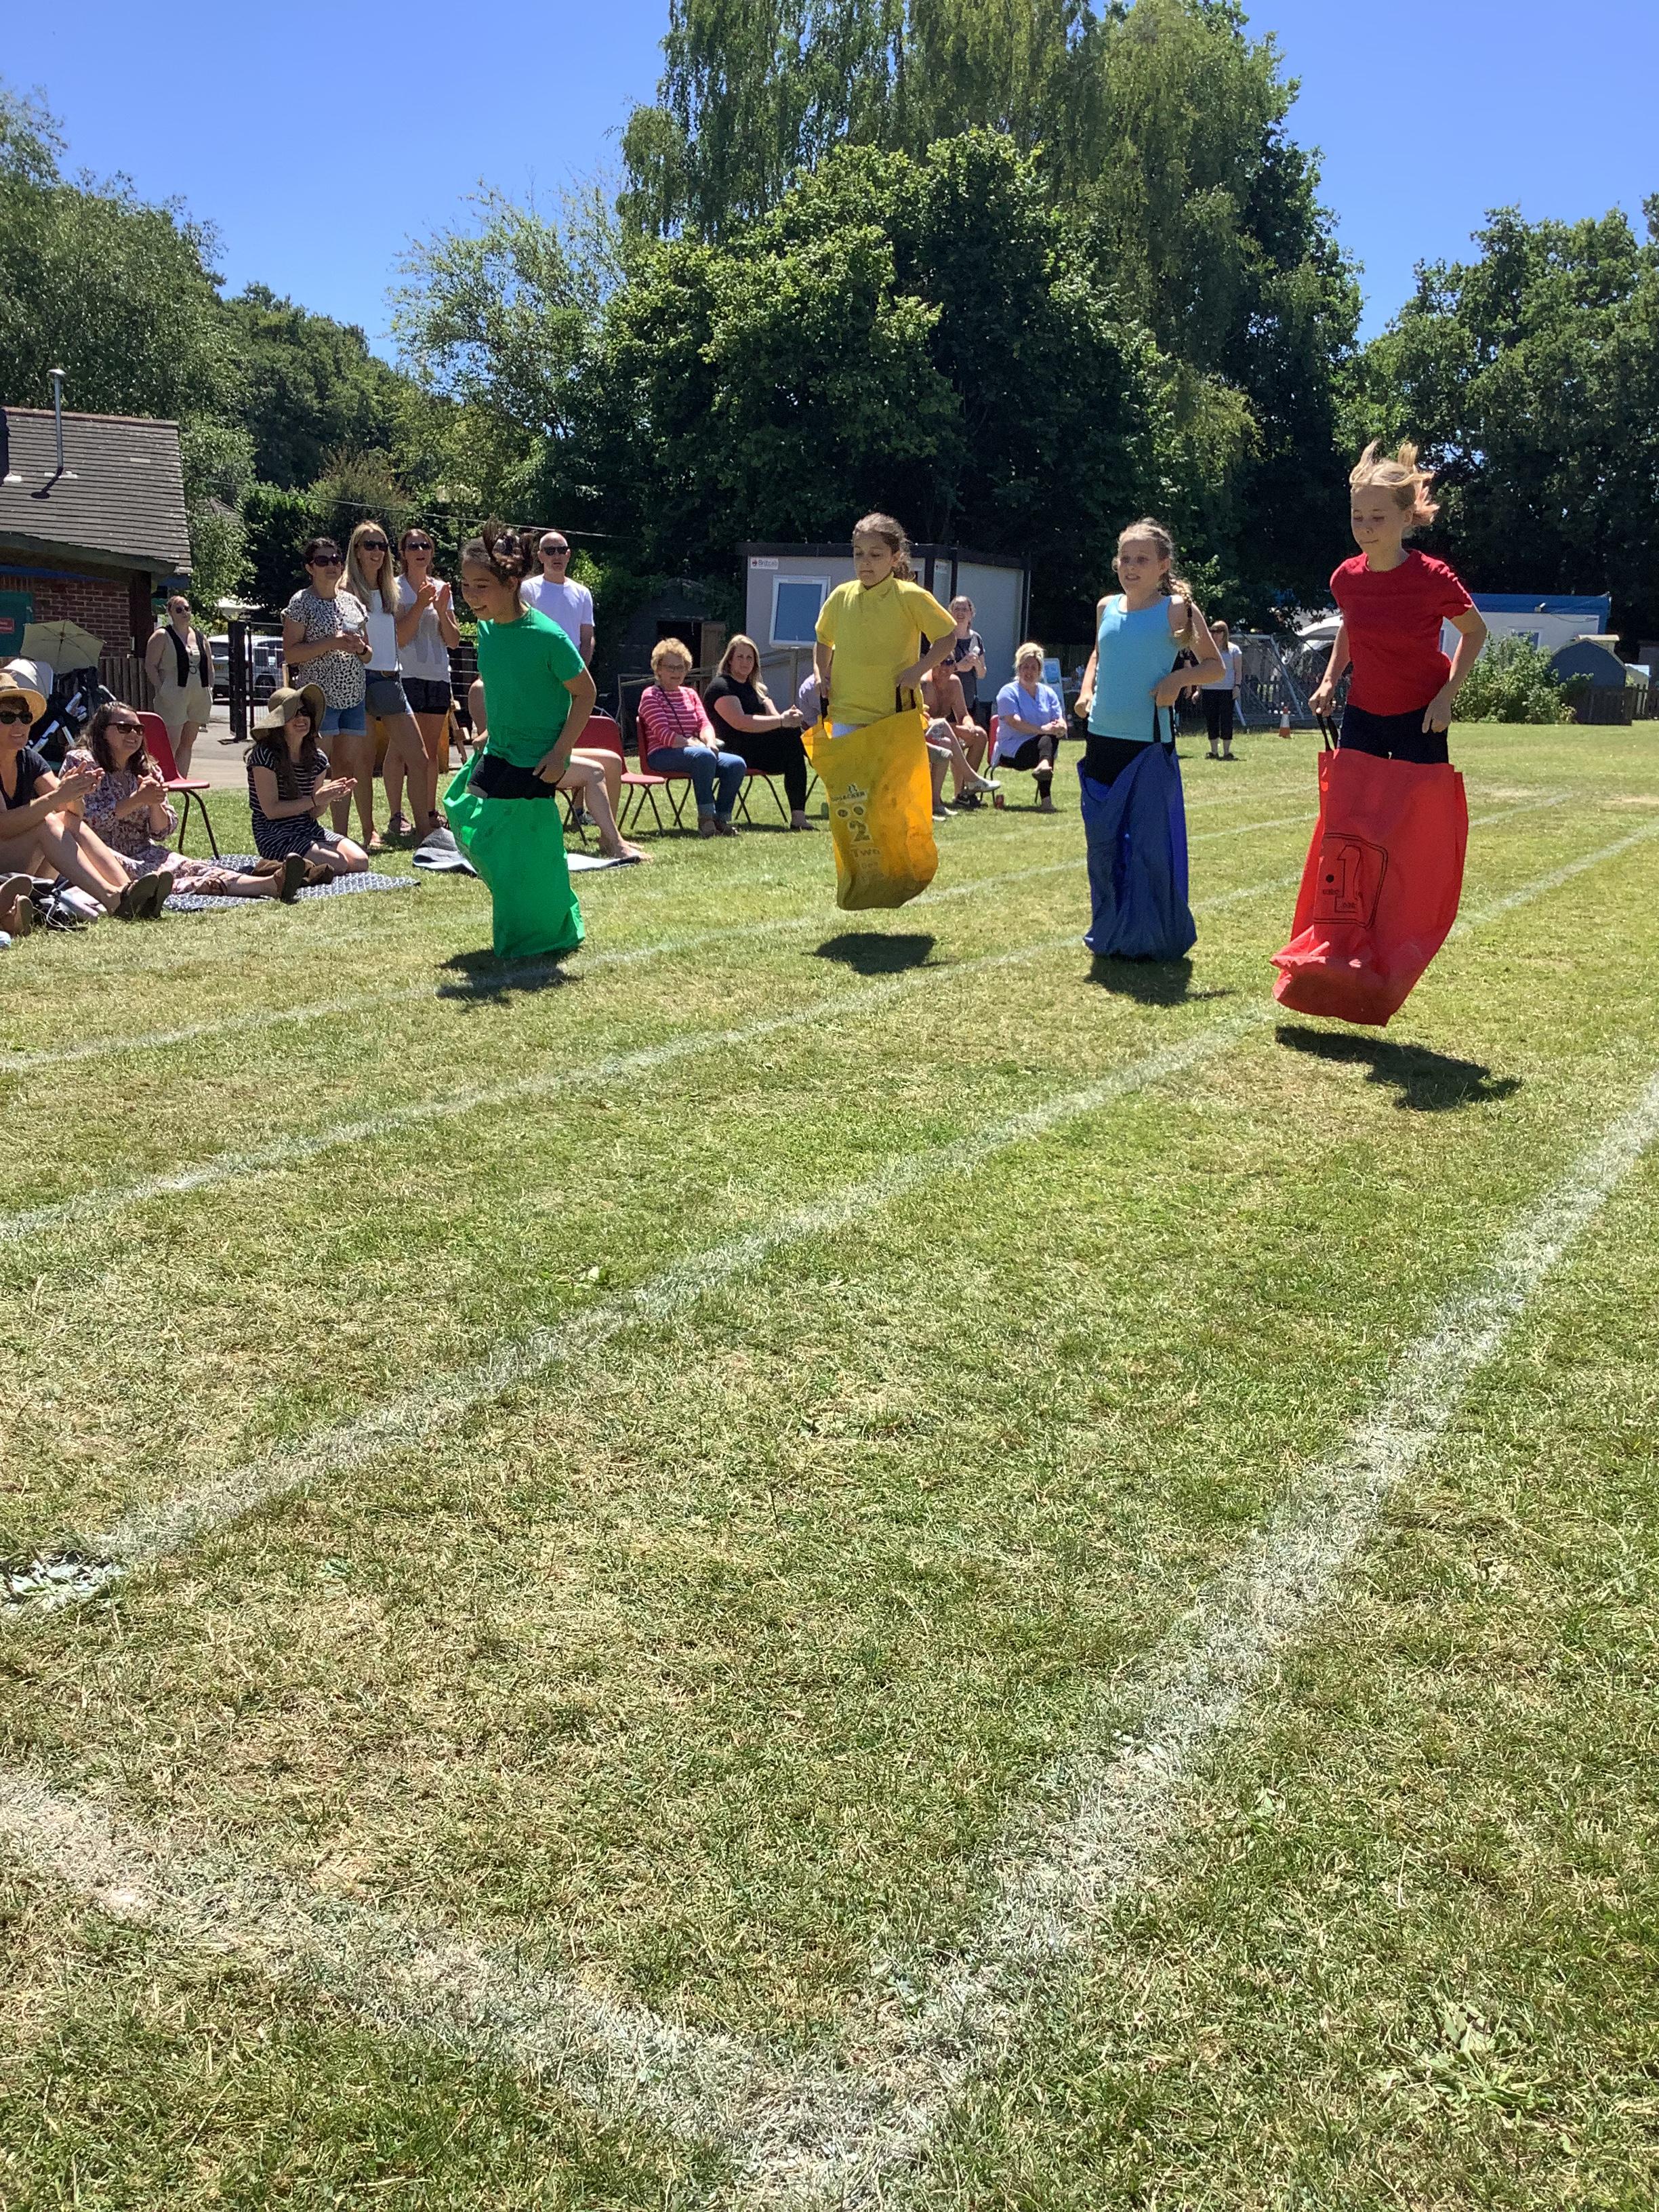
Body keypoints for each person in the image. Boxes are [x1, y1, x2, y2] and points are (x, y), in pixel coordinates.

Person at [1073, 520, 1225, 960]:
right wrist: (1086, 691)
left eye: (1142, 559)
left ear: (1163, 566)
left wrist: (1177, 680)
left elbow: (1214, 666)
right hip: (1101, 740)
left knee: (1148, 848)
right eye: (1125, 558)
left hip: (1149, 745)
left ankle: (1151, 939)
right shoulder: (1106, 607)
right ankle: (1111, 933)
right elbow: (1099, 654)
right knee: (1103, 848)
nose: (1131, 566)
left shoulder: (1177, 611)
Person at [446, 523, 592, 958]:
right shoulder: (487, 630)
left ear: (511, 584)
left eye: (482, 586)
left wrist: (561, 751)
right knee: (464, 817)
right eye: (466, 585)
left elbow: (585, 694)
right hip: (499, 750)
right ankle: (537, 916)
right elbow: (505, 685)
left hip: (537, 760)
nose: (471, 595)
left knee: (520, 849)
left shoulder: (547, 636)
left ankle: (542, 931)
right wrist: (492, 727)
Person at [1309, 442, 1488, 761]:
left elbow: (1475, 631)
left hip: (1421, 715)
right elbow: (1351, 628)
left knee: (1418, 797)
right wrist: (1329, 681)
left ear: (1406, 517)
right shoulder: (1344, 579)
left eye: (1378, 517)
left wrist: (1446, 697)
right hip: (1362, 713)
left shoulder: (1433, 577)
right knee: (1354, 796)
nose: (1365, 526)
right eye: (1357, 516)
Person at [68, 703, 306, 901]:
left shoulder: (146, 768)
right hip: (96, 852)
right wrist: (135, 800)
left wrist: (154, 803)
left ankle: (270, 884)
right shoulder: (83, 763)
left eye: (138, 729)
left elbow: (162, 832)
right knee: (153, 874)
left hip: (142, 849)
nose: (133, 734)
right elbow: (83, 822)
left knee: (191, 866)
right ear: (102, 731)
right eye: (124, 728)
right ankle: (259, 883)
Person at [0, 659, 171, 918]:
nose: (20, 725)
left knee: (66, 819)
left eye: (25, 717)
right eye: (7, 717)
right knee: (48, 822)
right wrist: (59, 796)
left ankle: (128, 892)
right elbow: (4, 826)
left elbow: (73, 815)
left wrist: (74, 794)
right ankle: (113, 898)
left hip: (22, 867)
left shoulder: (29, 759)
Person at [466, 674, 647, 864]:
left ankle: (607, 838)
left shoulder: (523, 681)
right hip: (520, 760)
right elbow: (489, 738)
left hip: (545, 749)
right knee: (595, 771)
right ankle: (616, 844)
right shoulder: (481, 688)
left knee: (613, 761)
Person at [283, 537, 379, 851]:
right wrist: (332, 643)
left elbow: (369, 655)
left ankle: (341, 837)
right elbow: (291, 653)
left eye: (336, 560)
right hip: (318, 700)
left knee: (345, 769)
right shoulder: (301, 602)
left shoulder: (352, 602)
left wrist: (360, 648)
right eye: (323, 561)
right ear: (310, 567)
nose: (332, 566)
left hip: (353, 697)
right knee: (317, 768)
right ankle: (307, 832)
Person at [345, 520, 433, 842]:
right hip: (356, 678)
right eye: (370, 545)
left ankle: (425, 830)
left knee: (420, 759)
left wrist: (421, 605)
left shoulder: (389, 590)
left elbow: (401, 638)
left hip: (389, 677)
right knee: (363, 762)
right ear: (356, 550)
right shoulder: (346, 589)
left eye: (382, 545)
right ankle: (368, 831)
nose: (377, 552)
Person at [246, 684, 370, 878]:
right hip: (274, 833)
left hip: (308, 829)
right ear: (280, 722)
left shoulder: (318, 759)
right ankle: (287, 869)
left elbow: (314, 813)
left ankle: (297, 868)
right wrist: (314, 800)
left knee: (360, 861)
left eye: (305, 712)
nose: (302, 718)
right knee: (338, 864)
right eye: (294, 714)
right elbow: (271, 811)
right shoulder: (264, 756)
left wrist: (327, 798)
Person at [638, 638, 747, 838]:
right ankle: (706, 818)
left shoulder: (690, 694)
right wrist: (697, 746)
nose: (676, 672)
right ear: (658, 669)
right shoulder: (651, 696)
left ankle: (721, 819)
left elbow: (704, 724)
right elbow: (665, 735)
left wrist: (710, 743)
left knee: (736, 764)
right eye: (670, 667)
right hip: (662, 754)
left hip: (696, 752)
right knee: (703, 757)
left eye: (681, 667)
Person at [704, 634, 815, 830]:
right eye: (740, 657)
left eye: (750, 658)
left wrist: (789, 717)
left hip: (757, 749)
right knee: (793, 740)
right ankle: (823, 762)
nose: (745, 662)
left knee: (792, 738)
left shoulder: (757, 689)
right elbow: (741, 723)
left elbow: (776, 721)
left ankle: (799, 817)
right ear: (730, 660)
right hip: (731, 751)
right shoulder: (721, 687)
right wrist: (782, 721)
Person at [394, 525, 463, 834]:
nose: (420, 551)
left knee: (431, 752)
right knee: (402, 751)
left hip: (437, 677)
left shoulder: (441, 588)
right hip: (405, 676)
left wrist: (441, 609)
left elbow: (453, 640)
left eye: (425, 546)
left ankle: (429, 812)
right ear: (403, 553)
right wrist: (421, 604)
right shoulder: (395, 588)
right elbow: (401, 638)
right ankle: (397, 817)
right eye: (413, 546)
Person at [143, 593, 214, 776]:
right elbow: (150, 665)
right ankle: (163, 780)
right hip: (173, 694)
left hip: (198, 695)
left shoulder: (200, 636)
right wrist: (161, 688)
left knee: (188, 742)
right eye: (179, 610)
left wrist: (210, 690)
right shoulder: (162, 635)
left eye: (187, 609)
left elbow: (209, 666)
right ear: (170, 612)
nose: (184, 613)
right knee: (170, 743)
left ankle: (181, 780)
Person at [992, 644, 1067, 811]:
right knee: (1048, 738)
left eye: (1034, 667)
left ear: (1040, 671)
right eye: (1025, 667)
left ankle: (1044, 772)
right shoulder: (1007, 692)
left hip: (1041, 748)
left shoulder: (1049, 693)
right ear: (1018, 668)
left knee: (1050, 739)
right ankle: (1045, 786)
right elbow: (1015, 722)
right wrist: (1044, 730)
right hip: (1013, 750)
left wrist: (1060, 728)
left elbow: (1059, 720)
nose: (1029, 671)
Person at [920, 661, 997, 815]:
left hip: (944, 731)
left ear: (955, 666)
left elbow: (963, 715)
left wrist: (968, 726)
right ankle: (971, 778)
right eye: (940, 662)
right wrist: (955, 729)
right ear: (933, 662)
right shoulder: (925, 685)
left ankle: (963, 794)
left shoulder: (954, 683)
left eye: (949, 663)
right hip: (923, 734)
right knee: (945, 739)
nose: (944, 667)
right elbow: (923, 720)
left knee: (979, 735)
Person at [520, 531, 595, 661]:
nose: (557, 556)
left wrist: (582, 669)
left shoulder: (583, 593)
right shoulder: (527, 589)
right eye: (550, 551)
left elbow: (587, 638)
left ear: (568, 555)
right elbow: (521, 632)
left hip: (572, 665)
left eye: (561, 550)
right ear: (541, 556)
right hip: (538, 663)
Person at [1198, 620, 1244, 759]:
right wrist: (1198, 689)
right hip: (1209, 688)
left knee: (1226, 720)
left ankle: (1227, 752)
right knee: (1211, 719)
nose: (1214, 634)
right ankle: (1213, 751)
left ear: (1225, 633)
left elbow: (1238, 671)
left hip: (1227, 689)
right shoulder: (1207, 650)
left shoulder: (1234, 650)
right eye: (1212, 631)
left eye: (1218, 631)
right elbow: (1201, 670)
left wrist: (1237, 686)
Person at [946, 596, 988, 720]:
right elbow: (933, 671)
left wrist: (976, 664)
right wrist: (958, 667)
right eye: (957, 609)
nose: (960, 613)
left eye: (964, 609)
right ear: (950, 613)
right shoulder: (944, 637)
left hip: (969, 701)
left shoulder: (976, 638)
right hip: (946, 701)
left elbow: (982, 674)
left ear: (971, 614)